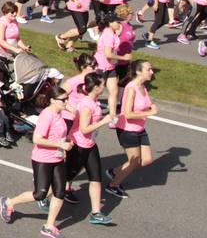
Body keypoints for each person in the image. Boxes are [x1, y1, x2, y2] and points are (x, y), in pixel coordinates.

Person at [0, 85, 74, 238]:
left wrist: (66, 142)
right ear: (52, 100)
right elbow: (37, 139)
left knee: (60, 191)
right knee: (40, 194)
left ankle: (49, 226)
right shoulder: (47, 115)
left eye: (67, 98)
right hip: (43, 159)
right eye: (63, 100)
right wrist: (60, 144)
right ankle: (9, 202)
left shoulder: (59, 113)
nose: (67, 102)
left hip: (58, 157)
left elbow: (58, 134)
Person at [64, 72, 116, 226]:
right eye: (103, 84)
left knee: (96, 178)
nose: (105, 86)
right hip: (79, 145)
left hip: (90, 145)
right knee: (65, 178)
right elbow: (84, 129)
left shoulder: (94, 101)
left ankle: (96, 213)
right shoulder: (87, 105)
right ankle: (41, 196)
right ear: (96, 87)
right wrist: (104, 121)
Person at [105, 59, 158, 199]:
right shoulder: (131, 88)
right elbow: (128, 114)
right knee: (134, 161)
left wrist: (151, 106)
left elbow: (146, 103)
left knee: (147, 159)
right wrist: (150, 112)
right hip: (128, 130)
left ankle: (115, 171)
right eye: (148, 69)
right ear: (138, 72)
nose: (152, 72)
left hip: (139, 128)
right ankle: (113, 185)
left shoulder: (143, 86)